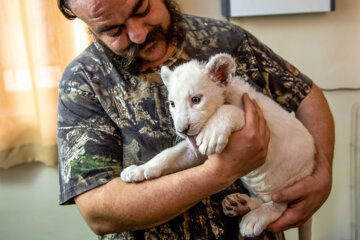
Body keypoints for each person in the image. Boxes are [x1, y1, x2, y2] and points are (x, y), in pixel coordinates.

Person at [56, 0, 334, 239]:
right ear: (85, 23)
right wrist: (219, 172)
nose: (138, 34)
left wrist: (321, 175)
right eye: (113, 30)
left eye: (141, 8)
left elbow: (307, 95)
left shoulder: (226, 38)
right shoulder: (82, 81)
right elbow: (99, 213)